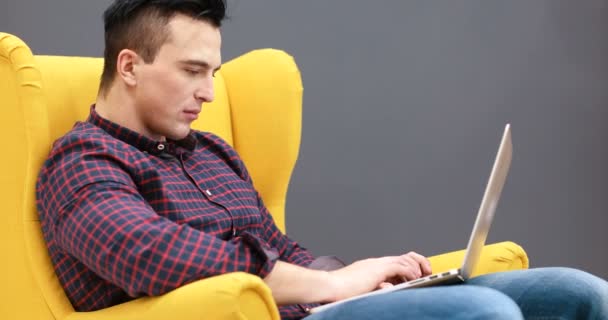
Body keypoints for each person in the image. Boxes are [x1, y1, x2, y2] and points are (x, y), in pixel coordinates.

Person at [36, 1, 608, 319]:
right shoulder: (83, 162)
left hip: (311, 309)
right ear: (131, 67)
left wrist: (365, 276)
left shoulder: (212, 153)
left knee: (579, 292)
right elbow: (156, 257)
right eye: (192, 71)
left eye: (213, 72)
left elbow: (278, 248)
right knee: (484, 314)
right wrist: (330, 289)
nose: (209, 92)